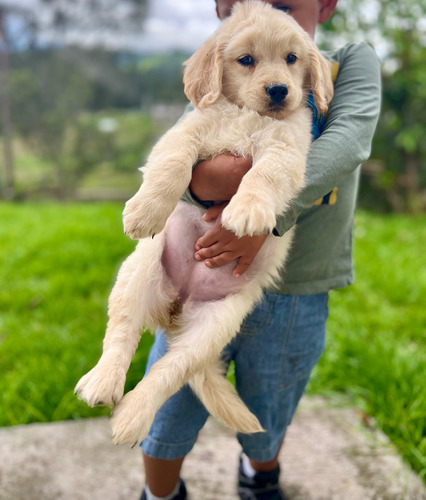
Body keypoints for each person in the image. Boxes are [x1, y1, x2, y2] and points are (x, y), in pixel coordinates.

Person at [139, 1, 381, 499]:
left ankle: (259, 477)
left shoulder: (348, 63)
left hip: (296, 285)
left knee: (270, 404)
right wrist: (211, 187)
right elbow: (188, 164)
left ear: (327, 4)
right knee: (169, 399)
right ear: (227, 11)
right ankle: (159, 493)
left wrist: (264, 214)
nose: (266, 10)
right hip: (203, 276)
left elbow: (348, 143)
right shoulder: (226, 72)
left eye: (284, 5)